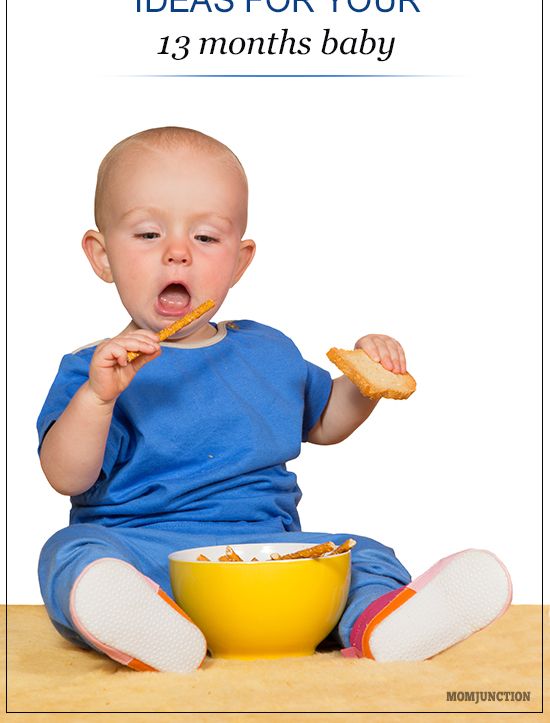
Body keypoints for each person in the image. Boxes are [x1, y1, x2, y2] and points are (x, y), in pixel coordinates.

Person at [37, 126, 512, 673]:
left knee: (363, 554)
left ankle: (383, 621)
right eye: (147, 234)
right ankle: (148, 623)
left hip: (266, 559)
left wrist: (364, 383)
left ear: (239, 262)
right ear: (101, 257)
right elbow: (66, 477)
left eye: (207, 238)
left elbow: (326, 422)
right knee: (71, 553)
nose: (177, 254)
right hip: (147, 553)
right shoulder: (96, 368)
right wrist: (98, 399)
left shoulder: (269, 349)